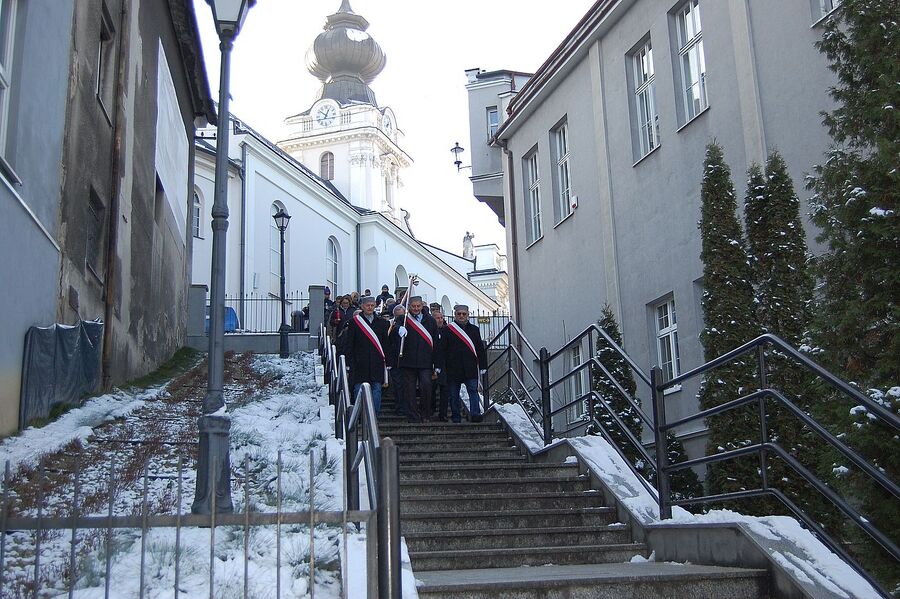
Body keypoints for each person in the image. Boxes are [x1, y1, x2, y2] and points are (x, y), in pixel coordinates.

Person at [390, 295, 438, 423]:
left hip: (426, 361)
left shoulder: (431, 321)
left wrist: (436, 363)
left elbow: (436, 343)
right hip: (408, 360)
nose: (416, 309)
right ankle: (412, 415)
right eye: (413, 306)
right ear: (409, 306)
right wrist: (398, 329)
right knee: (409, 390)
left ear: (422, 306)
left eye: (418, 306)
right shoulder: (403, 319)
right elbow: (393, 333)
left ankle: (425, 414)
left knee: (426, 386)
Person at [440, 304, 488, 423]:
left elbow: (479, 349)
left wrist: (483, 365)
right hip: (453, 367)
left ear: (468, 315)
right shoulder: (447, 330)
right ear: (455, 314)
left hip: (470, 367)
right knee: (453, 394)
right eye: (459, 314)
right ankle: (456, 417)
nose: (461, 316)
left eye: (464, 314)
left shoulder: (474, 329)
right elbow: (442, 350)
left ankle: (475, 414)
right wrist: (440, 366)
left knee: (473, 391)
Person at [343, 296, 389, 413]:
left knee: (376, 389)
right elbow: (350, 344)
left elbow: (386, 344)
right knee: (358, 388)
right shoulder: (354, 322)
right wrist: (349, 362)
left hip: (376, 361)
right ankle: (359, 414)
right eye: (367, 305)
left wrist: (387, 361)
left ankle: (374, 415)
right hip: (359, 362)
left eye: (372, 305)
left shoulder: (383, 323)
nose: (370, 307)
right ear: (362, 306)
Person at [430, 308, 449, 421]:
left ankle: (443, 414)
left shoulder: (447, 331)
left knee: (444, 390)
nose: (440, 320)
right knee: (431, 389)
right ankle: (431, 410)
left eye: (441, 318)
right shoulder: (429, 331)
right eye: (437, 318)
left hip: (445, 365)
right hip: (431, 364)